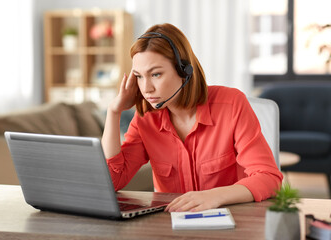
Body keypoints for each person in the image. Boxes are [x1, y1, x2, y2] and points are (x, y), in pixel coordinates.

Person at [101, 23, 283, 212]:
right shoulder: (145, 119)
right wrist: (114, 111)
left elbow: (269, 178)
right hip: (171, 225)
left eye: (156, 74)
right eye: (139, 76)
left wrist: (215, 196)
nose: (146, 88)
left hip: (229, 221)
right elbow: (112, 182)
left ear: (184, 71)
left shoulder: (231, 104)